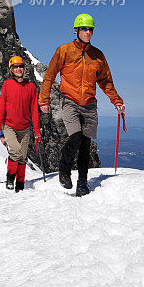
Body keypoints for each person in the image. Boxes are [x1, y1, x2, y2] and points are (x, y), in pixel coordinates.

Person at [39, 13, 125, 196]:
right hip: (69, 101)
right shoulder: (64, 51)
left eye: (90, 29)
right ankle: (64, 169)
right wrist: (44, 100)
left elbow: (106, 82)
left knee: (86, 144)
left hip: (89, 104)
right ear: (76, 30)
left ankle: (82, 183)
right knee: (76, 137)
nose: (88, 32)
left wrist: (116, 100)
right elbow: (49, 76)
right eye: (84, 29)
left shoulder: (98, 55)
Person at [0, 56, 42, 192]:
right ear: (11, 70)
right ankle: (10, 177)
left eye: (20, 66)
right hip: (9, 126)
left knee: (23, 157)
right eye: (15, 67)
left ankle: (20, 184)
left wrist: (37, 131)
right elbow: (2, 105)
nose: (18, 69)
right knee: (15, 151)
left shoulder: (31, 87)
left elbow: (34, 110)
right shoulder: (7, 84)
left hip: (25, 128)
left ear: (24, 68)